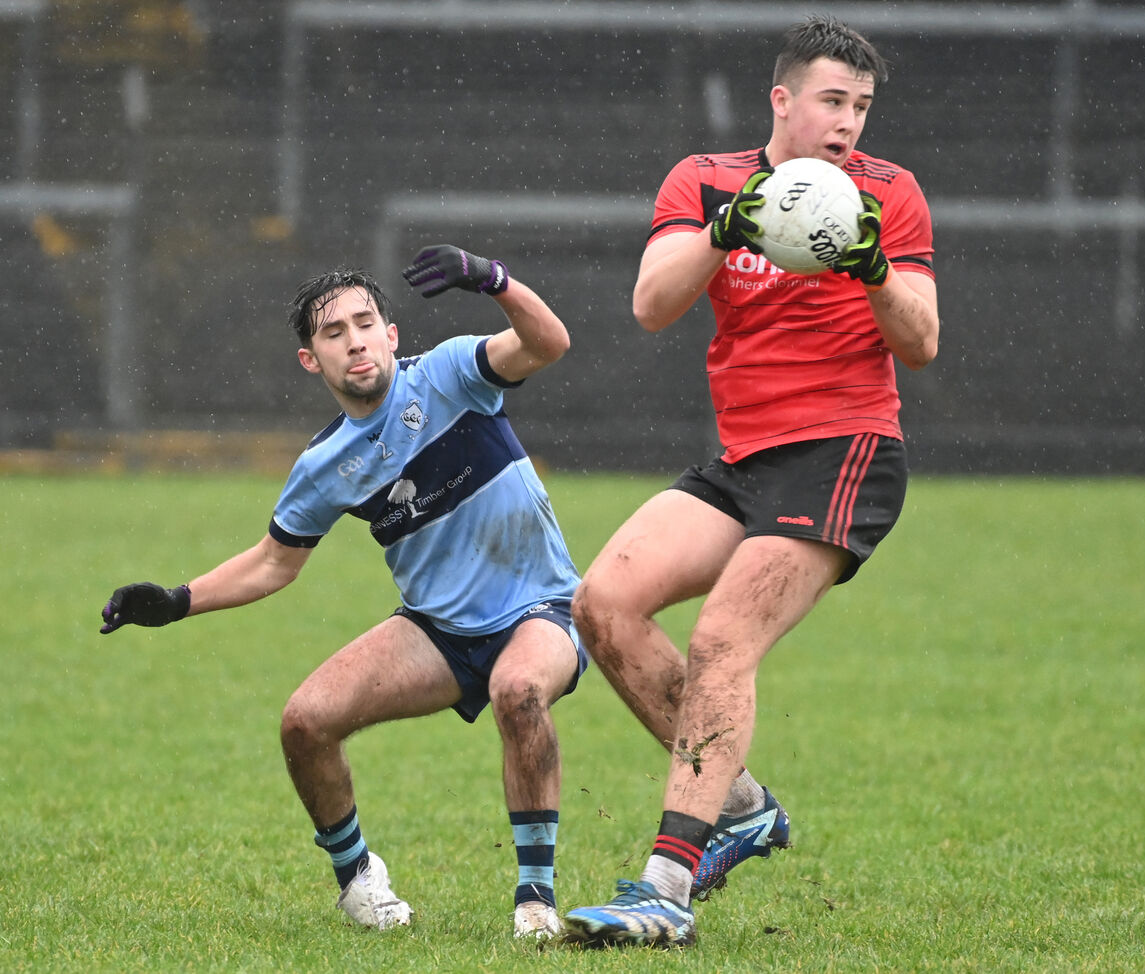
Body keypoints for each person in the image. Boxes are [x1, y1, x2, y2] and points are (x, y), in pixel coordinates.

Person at [564, 15, 938, 948]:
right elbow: (652, 305)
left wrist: (873, 267)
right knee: (603, 602)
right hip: (743, 461)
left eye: (861, 106)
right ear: (782, 100)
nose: (848, 123)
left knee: (726, 634)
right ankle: (739, 808)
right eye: (831, 101)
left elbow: (922, 341)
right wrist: (729, 224)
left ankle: (665, 888)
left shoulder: (889, 194)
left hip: (844, 448)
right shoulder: (704, 179)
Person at [99, 245, 587, 941]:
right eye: (334, 333)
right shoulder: (325, 464)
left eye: (365, 323)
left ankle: (535, 900)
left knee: (519, 690)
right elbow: (274, 563)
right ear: (311, 360)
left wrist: (493, 280)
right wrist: (177, 601)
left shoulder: (450, 373)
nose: (354, 340)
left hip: (541, 607)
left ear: (391, 334)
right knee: (305, 721)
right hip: (439, 630)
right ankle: (358, 879)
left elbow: (550, 342)